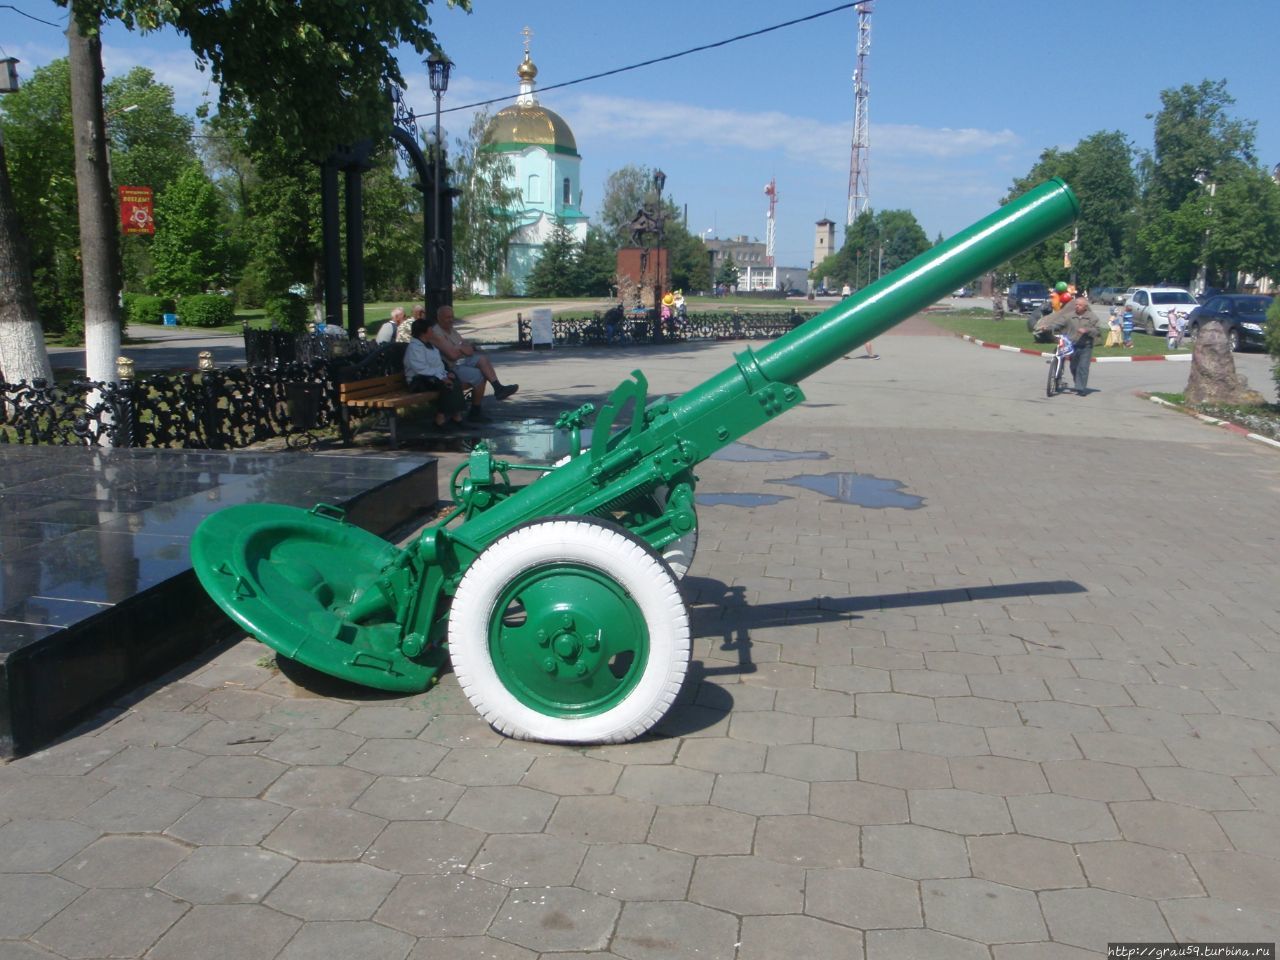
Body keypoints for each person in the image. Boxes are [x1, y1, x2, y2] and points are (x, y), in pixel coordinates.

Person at [427, 306, 518, 422]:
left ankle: (498, 387)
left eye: (452, 317)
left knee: (482, 359)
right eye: (447, 317)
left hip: (459, 362)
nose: (451, 320)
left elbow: (469, 350)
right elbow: (452, 356)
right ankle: (475, 411)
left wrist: (458, 348)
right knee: (480, 374)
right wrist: (461, 348)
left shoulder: (451, 330)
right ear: (439, 318)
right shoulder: (436, 333)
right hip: (448, 369)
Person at [404, 317, 465, 428]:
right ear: (424, 333)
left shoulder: (430, 345)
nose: (433, 331)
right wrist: (442, 377)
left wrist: (446, 373)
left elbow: (438, 364)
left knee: (455, 381)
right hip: (418, 381)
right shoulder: (415, 347)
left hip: (432, 377)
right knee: (447, 385)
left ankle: (457, 416)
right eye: (430, 330)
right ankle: (439, 419)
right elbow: (421, 369)